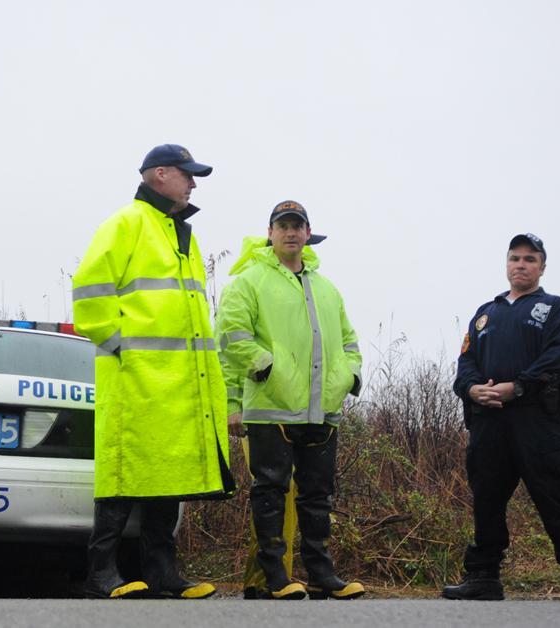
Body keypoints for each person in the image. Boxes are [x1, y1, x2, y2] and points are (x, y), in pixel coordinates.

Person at [72, 144, 235, 599]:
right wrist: (123, 346)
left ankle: (163, 573)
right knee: (123, 474)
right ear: (159, 174)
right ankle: (100, 573)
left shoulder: (181, 232)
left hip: (179, 383)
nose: (193, 183)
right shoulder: (126, 223)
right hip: (136, 378)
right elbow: (88, 291)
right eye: (188, 174)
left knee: (168, 473)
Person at [216, 202, 365, 601]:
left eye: (297, 226)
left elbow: (349, 341)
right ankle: (274, 576)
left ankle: (321, 575)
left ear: (308, 232)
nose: (290, 233)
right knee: (270, 492)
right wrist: (264, 368)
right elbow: (230, 336)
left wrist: (348, 376)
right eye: (282, 226)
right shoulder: (249, 281)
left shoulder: (327, 288)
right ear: (270, 232)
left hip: (322, 410)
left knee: (318, 496)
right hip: (271, 408)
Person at [445, 233, 560, 602]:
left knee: (556, 496)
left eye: (530, 259)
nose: (521, 265)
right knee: (487, 498)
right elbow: (465, 362)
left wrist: (516, 387)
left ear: (542, 267)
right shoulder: (486, 313)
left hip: (537, 420)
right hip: (488, 420)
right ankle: (484, 577)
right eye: (515, 258)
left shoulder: (554, 308)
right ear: (506, 265)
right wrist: (472, 390)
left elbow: (556, 357)